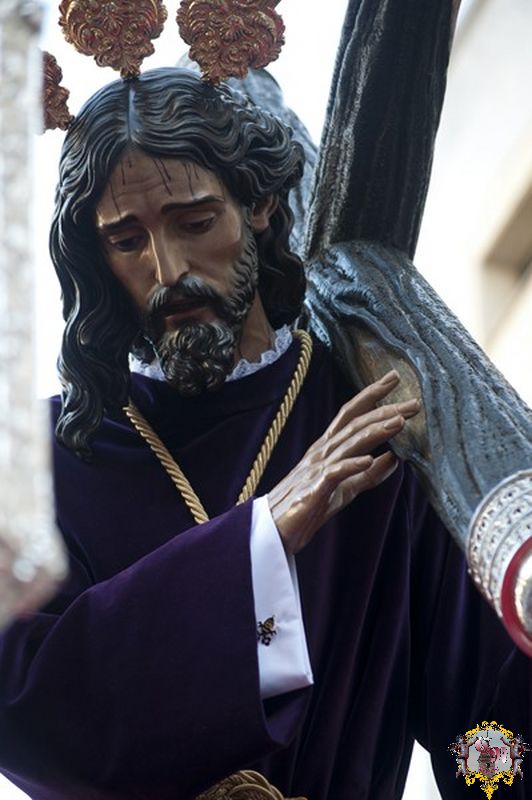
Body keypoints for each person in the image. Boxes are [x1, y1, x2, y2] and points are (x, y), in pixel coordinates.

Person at [0, 68, 529, 800]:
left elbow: (481, 729)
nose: (169, 270)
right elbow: (26, 707)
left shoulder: (374, 423)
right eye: (126, 241)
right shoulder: (43, 461)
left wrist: (503, 758)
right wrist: (262, 540)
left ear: (259, 206)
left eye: (194, 222)